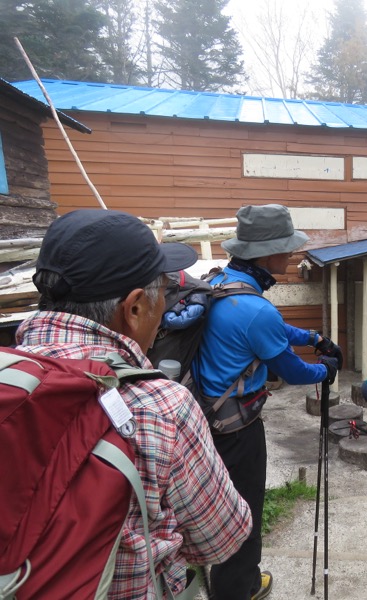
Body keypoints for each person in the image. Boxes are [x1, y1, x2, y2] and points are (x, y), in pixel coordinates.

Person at [17, 209, 252, 599]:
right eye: (164, 294)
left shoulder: (10, 379)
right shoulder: (160, 406)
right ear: (136, 307)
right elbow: (221, 538)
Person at [191, 204, 341, 600]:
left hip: (206, 417)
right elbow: (293, 371)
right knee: (245, 512)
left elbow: (268, 329)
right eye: (286, 248)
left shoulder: (223, 282)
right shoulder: (257, 309)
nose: (291, 255)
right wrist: (325, 369)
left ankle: (229, 582)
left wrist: (312, 338)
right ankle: (239, 590)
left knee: (222, 507)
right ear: (267, 254)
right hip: (237, 431)